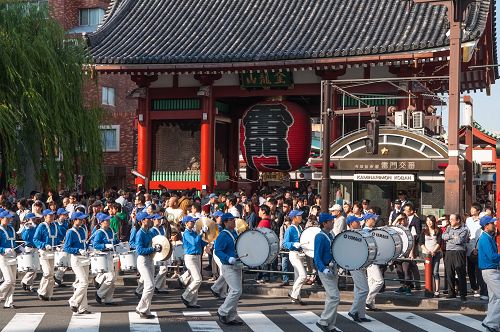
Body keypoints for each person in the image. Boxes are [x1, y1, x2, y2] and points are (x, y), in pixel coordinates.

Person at [215, 213, 244, 326]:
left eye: (234, 220)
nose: (234, 221)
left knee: (234, 291)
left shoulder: (234, 232)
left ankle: (231, 317)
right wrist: (228, 258)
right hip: (228, 266)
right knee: (236, 290)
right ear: (225, 222)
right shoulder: (223, 235)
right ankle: (222, 311)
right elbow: (217, 251)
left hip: (236, 264)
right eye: (231, 220)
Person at [314, 212, 341, 332]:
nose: (333, 222)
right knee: (335, 296)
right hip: (325, 268)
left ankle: (330, 325)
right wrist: (323, 268)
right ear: (324, 223)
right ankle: (323, 321)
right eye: (330, 221)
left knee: (331, 297)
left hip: (332, 268)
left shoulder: (330, 234)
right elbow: (316, 256)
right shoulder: (320, 236)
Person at [64, 211, 91, 314]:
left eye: (82, 219)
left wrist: (88, 247)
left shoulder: (83, 229)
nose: (82, 220)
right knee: (84, 282)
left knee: (83, 283)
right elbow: (66, 248)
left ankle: (82, 308)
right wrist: (78, 250)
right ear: (74, 220)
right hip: (76, 259)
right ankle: (73, 300)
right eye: (80, 219)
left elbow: (84, 243)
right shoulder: (70, 232)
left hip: (84, 258)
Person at [135, 211, 160, 319]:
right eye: (147, 218)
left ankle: (146, 310)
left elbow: (157, 241)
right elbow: (139, 250)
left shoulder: (149, 232)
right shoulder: (139, 233)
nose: (150, 220)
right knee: (149, 285)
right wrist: (153, 249)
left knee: (150, 286)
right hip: (143, 260)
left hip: (150, 259)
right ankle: (141, 308)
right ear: (142, 221)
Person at [477, 215, 500, 332]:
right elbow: (492, 257)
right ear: (486, 226)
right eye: (492, 223)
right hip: (490, 271)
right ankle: (490, 322)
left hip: (491, 271)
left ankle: (492, 326)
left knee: (494, 299)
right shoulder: (485, 238)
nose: (494, 224)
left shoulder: (487, 237)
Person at [346, 215, 371, 323]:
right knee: (364, 289)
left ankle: (361, 315)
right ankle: (353, 311)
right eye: (357, 222)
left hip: (359, 264)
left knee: (359, 290)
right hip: (354, 264)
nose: (360, 223)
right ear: (351, 224)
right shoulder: (349, 235)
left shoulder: (357, 233)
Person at [33, 209, 61, 301]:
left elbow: (56, 238)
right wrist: (44, 245)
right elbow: (35, 239)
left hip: (53, 252)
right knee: (47, 272)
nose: (52, 217)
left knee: (51, 274)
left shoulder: (54, 226)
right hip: (44, 252)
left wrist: (57, 246)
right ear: (45, 217)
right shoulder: (41, 226)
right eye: (50, 216)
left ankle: (48, 294)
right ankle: (41, 291)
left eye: (53, 215)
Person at [180, 215, 207, 308]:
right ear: (186, 223)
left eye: (193, 221)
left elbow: (201, 243)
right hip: (190, 257)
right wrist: (201, 233)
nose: (193, 222)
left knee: (194, 280)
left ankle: (192, 302)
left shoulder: (194, 232)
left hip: (197, 256)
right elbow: (194, 242)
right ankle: (186, 296)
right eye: (191, 221)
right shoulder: (186, 233)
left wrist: (206, 235)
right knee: (198, 279)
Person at [442, 213, 469, 301]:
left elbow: (459, 241)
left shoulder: (464, 229)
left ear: (458, 220)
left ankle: (462, 293)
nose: (450, 221)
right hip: (449, 252)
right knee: (449, 273)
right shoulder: (449, 228)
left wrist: (450, 239)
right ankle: (451, 292)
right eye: (450, 219)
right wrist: (452, 236)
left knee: (460, 273)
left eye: (452, 219)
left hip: (459, 252)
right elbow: (443, 236)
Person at [92, 212, 117, 305]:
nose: (109, 221)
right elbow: (96, 244)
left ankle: (109, 300)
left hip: (110, 255)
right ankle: (99, 294)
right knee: (111, 277)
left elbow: (114, 241)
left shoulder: (110, 230)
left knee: (113, 280)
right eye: (106, 220)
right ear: (101, 222)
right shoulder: (99, 232)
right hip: (103, 257)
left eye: (109, 220)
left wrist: (119, 244)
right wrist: (105, 245)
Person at [282, 209, 307, 304]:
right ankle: (293, 294)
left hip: (300, 254)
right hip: (294, 254)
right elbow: (285, 244)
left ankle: (295, 296)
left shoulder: (300, 227)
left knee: (298, 277)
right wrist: (293, 244)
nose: (301, 217)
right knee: (303, 275)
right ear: (294, 218)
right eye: (299, 216)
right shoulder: (290, 229)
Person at [465, 203, 487, 299]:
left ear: (478, 211)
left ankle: (482, 289)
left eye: (473, 209)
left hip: (478, 247)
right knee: (470, 270)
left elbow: (481, 235)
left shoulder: (482, 220)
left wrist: (477, 248)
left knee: (478, 270)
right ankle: (474, 288)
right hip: (469, 246)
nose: (471, 210)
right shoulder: (468, 220)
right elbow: (467, 231)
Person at [363, 213, 384, 311]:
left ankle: (370, 303)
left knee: (371, 282)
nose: (375, 221)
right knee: (379, 281)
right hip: (371, 260)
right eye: (373, 219)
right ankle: (368, 301)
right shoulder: (366, 232)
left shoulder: (370, 231)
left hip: (371, 259)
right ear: (368, 220)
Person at [419, 215, 442, 297]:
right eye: (427, 220)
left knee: (435, 272)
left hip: (436, 253)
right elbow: (421, 243)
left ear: (434, 221)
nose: (429, 222)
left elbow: (439, 242)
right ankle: (429, 289)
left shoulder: (438, 230)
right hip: (426, 254)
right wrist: (427, 251)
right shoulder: (424, 231)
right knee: (428, 272)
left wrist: (433, 251)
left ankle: (437, 290)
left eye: (431, 220)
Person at [0, 210, 19, 309]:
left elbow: (14, 243)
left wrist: (20, 248)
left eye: (9, 218)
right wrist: (3, 249)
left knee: (13, 281)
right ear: (1, 219)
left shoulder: (11, 229)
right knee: (8, 280)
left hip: (13, 255)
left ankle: (9, 302)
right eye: (6, 218)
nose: (9, 220)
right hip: (3, 257)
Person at [150, 214, 169, 294]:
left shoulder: (162, 228)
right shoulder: (152, 230)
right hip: (157, 251)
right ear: (153, 220)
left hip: (163, 250)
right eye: (158, 219)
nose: (159, 221)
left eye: (160, 219)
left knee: (164, 268)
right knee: (163, 269)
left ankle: (161, 287)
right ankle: (156, 285)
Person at [20, 212, 39, 292]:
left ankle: (29, 285)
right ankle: (25, 282)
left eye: (34, 218)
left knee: (35, 268)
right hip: (28, 248)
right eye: (32, 218)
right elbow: (24, 238)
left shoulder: (37, 226)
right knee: (31, 268)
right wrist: (27, 229)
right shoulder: (26, 227)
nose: (34, 219)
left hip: (36, 248)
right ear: (28, 219)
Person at [54, 208, 70, 287]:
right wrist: (57, 244)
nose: (66, 215)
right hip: (59, 245)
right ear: (60, 215)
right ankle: (57, 278)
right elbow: (54, 235)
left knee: (65, 263)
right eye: (64, 214)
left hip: (66, 244)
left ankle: (58, 279)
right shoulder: (55, 224)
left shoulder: (67, 222)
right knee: (63, 263)